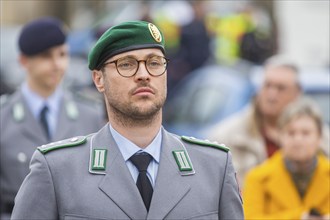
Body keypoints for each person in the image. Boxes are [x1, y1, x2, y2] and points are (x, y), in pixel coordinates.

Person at [11, 20, 244, 220]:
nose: (143, 74)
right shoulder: (56, 170)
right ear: (98, 79)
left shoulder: (214, 166)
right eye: (126, 64)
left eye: (154, 63)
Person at [0, 17, 105, 218]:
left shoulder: (90, 113)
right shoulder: (3, 117)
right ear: (24, 61)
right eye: (46, 56)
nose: (57, 64)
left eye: (62, 54)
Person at [207, 56, 329, 186]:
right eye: (267, 85)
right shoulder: (227, 137)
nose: (271, 95)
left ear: (297, 93)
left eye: (280, 88)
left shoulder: (322, 139)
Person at [243, 97, 330, 219]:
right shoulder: (258, 178)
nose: (298, 140)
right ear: (280, 137)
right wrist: (299, 217)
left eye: (306, 133)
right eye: (291, 133)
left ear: (319, 137)